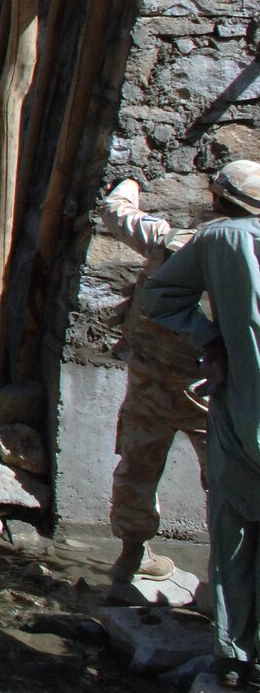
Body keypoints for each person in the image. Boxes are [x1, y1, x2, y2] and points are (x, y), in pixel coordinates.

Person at [141, 161, 260, 684]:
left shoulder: (218, 240)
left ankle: (235, 656)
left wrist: (212, 341)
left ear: (218, 199)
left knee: (234, 530)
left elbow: (161, 298)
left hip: (244, 412)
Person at [97, 178, 207, 588]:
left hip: (150, 380)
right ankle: (227, 581)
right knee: (228, 482)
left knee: (138, 467)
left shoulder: (168, 240)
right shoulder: (247, 254)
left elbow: (116, 211)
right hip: (210, 392)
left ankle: (131, 555)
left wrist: (129, 184)